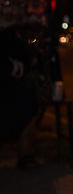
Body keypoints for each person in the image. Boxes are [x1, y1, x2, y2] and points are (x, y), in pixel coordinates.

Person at [0, 26, 41, 169]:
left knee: (29, 105)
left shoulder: (13, 35)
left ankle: (25, 155)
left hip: (14, 87)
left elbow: (27, 61)